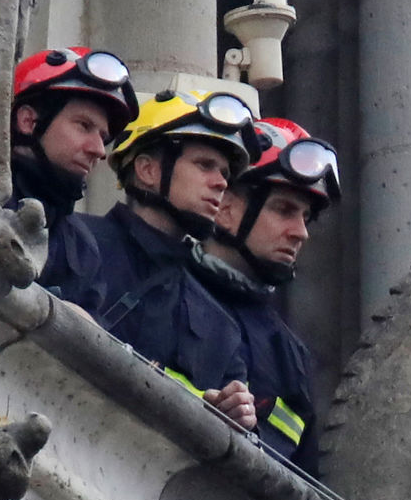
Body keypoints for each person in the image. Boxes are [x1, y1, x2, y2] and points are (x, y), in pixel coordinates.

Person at [60, 86, 275, 434]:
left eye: (225, 172)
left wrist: (239, 421)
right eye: (205, 164)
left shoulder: (220, 326)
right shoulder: (70, 239)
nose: (221, 183)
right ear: (147, 170)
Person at [188, 117, 334, 472]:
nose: (301, 233)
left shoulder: (291, 354)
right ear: (225, 209)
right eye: (284, 210)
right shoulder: (164, 290)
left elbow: (306, 487)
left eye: (305, 217)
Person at [4, 46, 139, 285]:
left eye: (103, 137)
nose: (99, 150)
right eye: (84, 126)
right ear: (28, 121)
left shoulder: (82, 247)